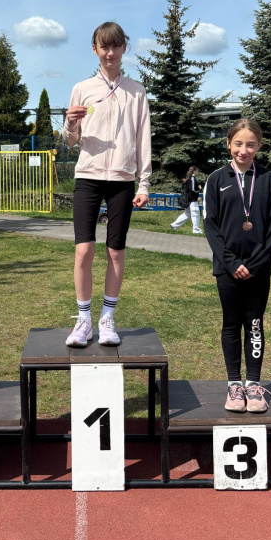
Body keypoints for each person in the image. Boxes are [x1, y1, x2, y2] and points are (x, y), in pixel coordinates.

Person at [61, 21, 152, 347]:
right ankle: (83, 320)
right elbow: (70, 140)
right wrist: (70, 123)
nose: (110, 52)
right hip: (88, 176)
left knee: (115, 251)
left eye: (115, 46)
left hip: (122, 179)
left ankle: (107, 318)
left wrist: (143, 183)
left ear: (124, 48)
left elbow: (142, 138)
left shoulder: (136, 91)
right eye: (104, 46)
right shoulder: (82, 88)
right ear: (95, 49)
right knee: (83, 250)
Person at [203, 120, 271, 413]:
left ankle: (253, 384)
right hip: (227, 268)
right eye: (238, 143)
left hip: (258, 268)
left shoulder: (270, 179)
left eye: (250, 144)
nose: (244, 150)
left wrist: (257, 263)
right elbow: (210, 225)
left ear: (259, 145)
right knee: (231, 323)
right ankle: (234, 385)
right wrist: (231, 262)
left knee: (255, 323)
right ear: (228, 144)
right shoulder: (216, 179)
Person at [169, 165, 203, 234]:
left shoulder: (188, 178)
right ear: (194, 171)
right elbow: (192, 189)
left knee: (187, 214)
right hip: (192, 200)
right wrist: (199, 189)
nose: (198, 172)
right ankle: (196, 230)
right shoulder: (192, 178)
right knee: (195, 214)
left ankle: (174, 225)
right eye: (197, 171)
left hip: (188, 199)